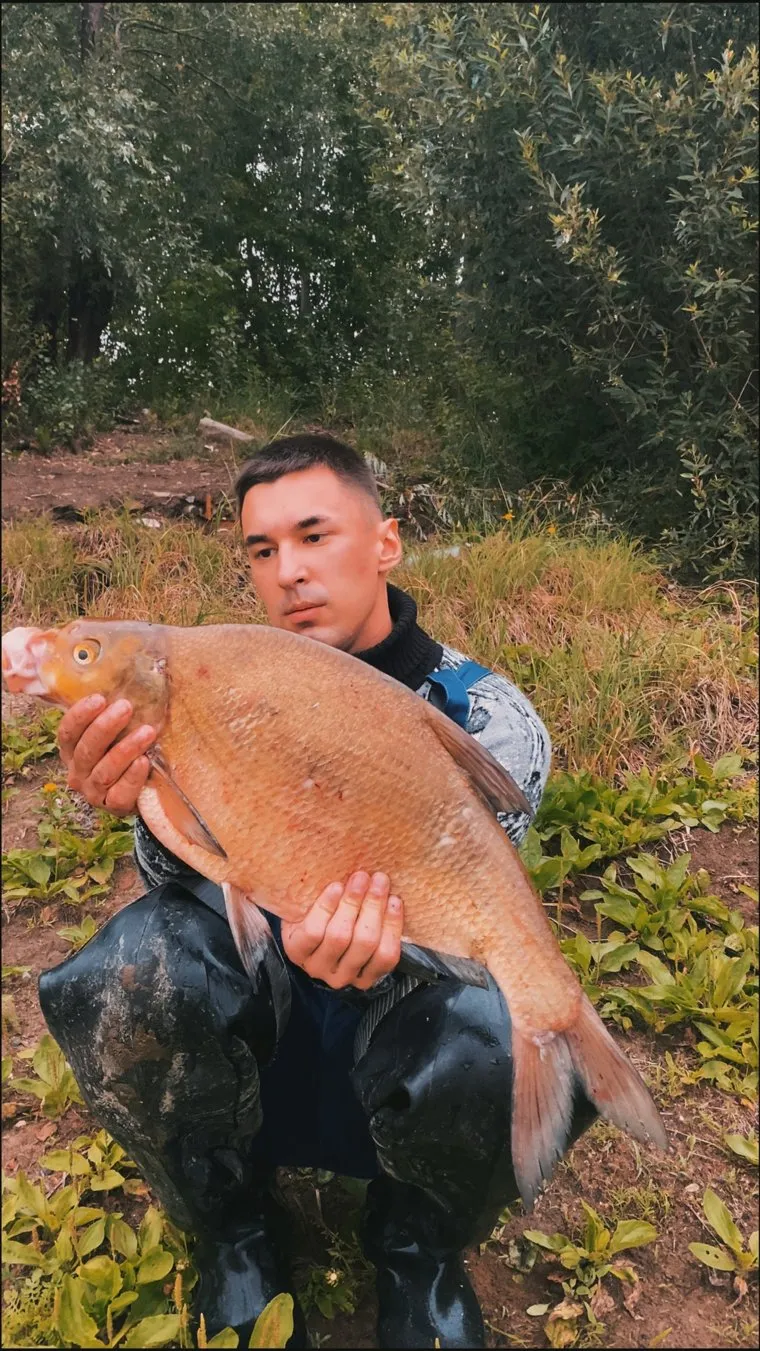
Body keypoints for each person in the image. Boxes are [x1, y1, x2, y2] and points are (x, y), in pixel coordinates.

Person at [38, 434, 596, 1350]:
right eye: (262, 550)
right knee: (129, 969)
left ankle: (417, 1242)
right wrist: (137, 797)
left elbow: (473, 902)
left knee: (505, 1031)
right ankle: (233, 1228)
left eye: (314, 535)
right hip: (268, 1016)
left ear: (386, 542)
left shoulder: (492, 715)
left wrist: (389, 949)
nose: (289, 571)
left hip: (402, 1021)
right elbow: (188, 880)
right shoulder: (222, 680)